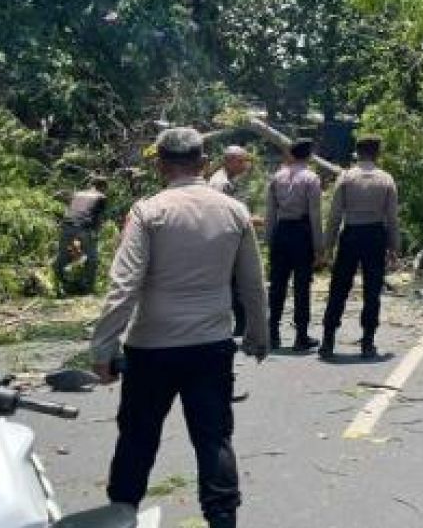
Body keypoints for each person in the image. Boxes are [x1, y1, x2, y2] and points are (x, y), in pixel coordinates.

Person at [91, 128, 267, 528]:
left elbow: (124, 284)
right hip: (211, 346)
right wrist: (258, 335)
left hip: (152, 347)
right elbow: (252, 285)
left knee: (137, 438)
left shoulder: (148, 211)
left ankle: (121, 515)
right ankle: (223, 520)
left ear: (160, 165)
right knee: (213, 438)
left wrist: (103, 347)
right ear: (205, 164)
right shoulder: (234, 211)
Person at [320, 136, 400, 360]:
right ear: (377, 153)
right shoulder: (386, 179)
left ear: (357, 152)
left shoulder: (346, 178)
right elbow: (392, 218)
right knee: (372, 290)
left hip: (351, 235)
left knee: (339, 288)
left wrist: (328, 245)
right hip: (375, 235)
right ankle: (367, 342)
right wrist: (394, 246)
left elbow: (335, 215)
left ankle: (327, 341)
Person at [265, 139, 324, 351]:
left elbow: (270, 214)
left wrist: (270, 241)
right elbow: (315, 215)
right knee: (301, 286)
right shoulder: (311, 178)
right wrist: (319, 247)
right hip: (302, 232)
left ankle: (272, 332)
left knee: (277, 285)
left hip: (281, 231)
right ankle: (301, 336)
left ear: (291, 154)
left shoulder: (277, 177)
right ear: (309, 155)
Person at [207, 145, 253, 337]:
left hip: (225, 238)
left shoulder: (226, 181)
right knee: (233, 282)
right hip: (223, 239)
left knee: (233, 282)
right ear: (230, 161)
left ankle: (240, 323)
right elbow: (220, 213)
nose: (245, 166)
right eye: (241, 161)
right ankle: (239, 323)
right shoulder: (220, 183)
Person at [54, 176, 110, 295]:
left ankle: (61, 286)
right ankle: (88, 289)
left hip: (66, 225)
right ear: (103, 187)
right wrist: (95, 235)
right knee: (92, 258)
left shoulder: (78, 193)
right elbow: (98, 219)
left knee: (62, 257)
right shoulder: (101, 197)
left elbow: (72, 208)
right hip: (85, 227)